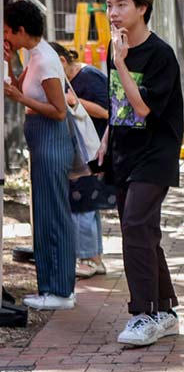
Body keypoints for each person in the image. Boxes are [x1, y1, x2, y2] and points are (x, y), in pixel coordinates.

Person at [100, 0, 184, 347]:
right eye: (109, 5)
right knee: (143, 231)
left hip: (156, 153)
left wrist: (120, 62)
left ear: (142, 8)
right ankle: (165, 310)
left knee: (135, 225)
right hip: (124, 151)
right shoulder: (113, 49)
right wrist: (105, 138)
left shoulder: (159, 54)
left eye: (121, 5)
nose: (113, 13)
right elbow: (118, 103)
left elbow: (142, 107)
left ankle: (143, 313)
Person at [3, 0, 76, 310]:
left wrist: (19, 97)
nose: (5, 36)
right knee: (44, 214)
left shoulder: (45, 60)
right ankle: (50, 286)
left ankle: (60, 289)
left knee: (54, 214)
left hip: (50, 140)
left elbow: (60, 111)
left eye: (8, 32)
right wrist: (9, 63)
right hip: (42, 141)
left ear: (22, 30)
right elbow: (21, 88)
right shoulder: (35, 55)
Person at [52, 42, 112, 279]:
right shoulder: (72, 80)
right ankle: (94, 258)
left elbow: (108, 111)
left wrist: (75, 101)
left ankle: (89, 258)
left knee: (83, 205)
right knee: (85, 205)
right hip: (83, 152)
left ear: (63, 61)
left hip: (92, 150)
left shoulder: (89, 76)